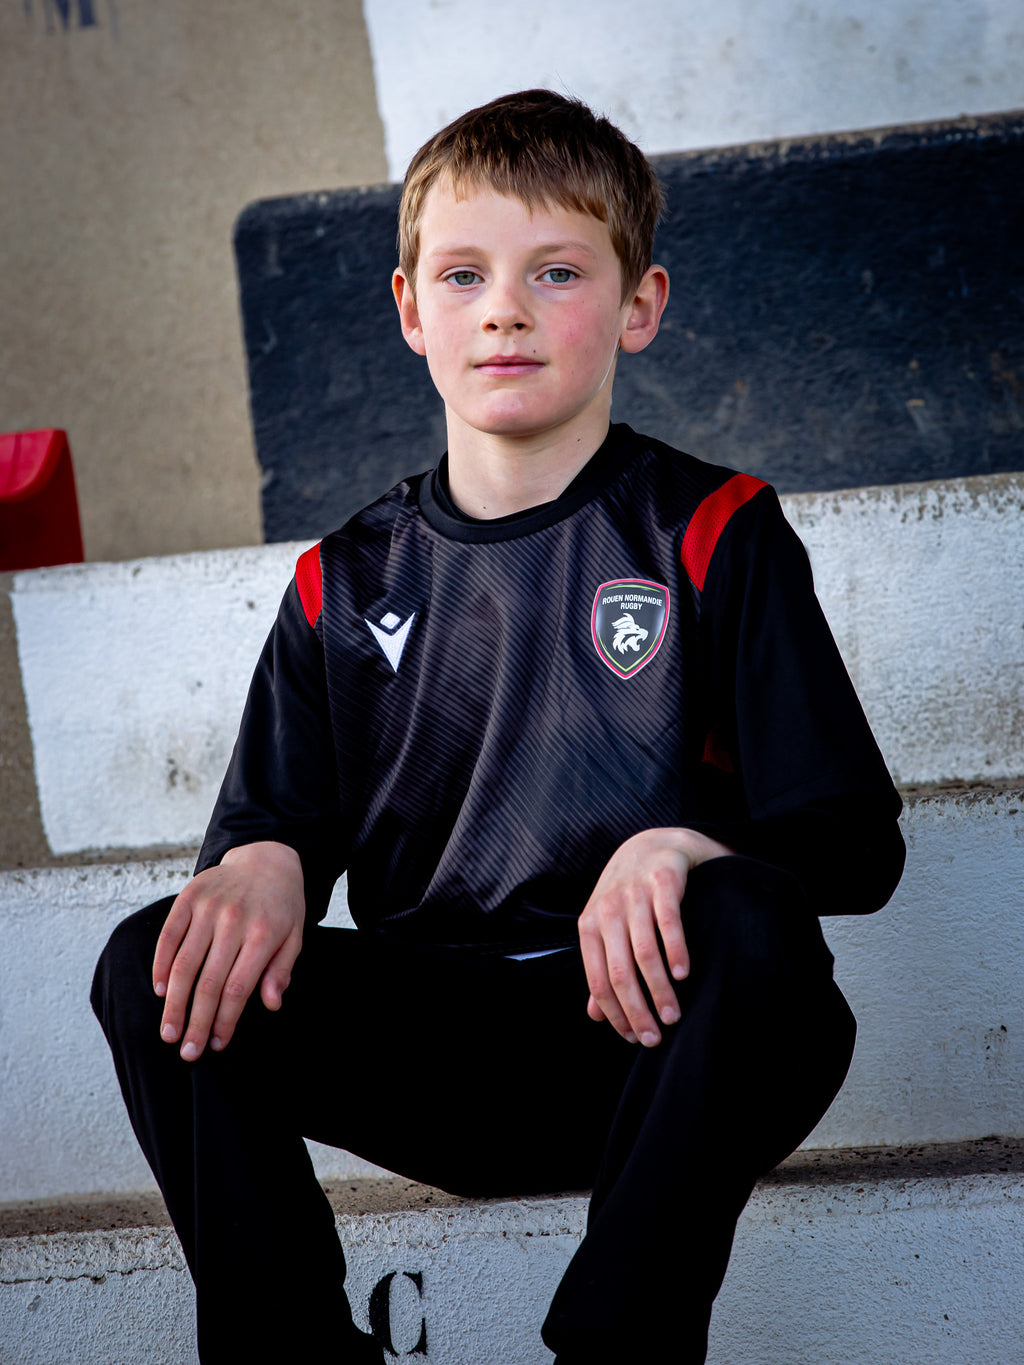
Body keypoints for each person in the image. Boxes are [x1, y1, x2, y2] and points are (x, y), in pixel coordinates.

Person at [92, 89, 905, 1364]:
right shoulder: (343, 581)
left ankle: (618, 1343)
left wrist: (692, 848)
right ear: (412, 310)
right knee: (159, 964)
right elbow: (270, 837)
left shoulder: (712, 530)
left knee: (748, 918)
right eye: (464, 274)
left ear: (639, 305)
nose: (505, 308)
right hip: (445, 1062)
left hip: (661, 1048)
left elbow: (855, 844)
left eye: (557, 272)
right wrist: (258, 860)